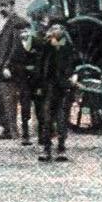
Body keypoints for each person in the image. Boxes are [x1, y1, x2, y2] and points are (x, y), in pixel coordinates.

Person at [28, 18, 78, 162]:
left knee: (62, 118)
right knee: (46, 117)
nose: (55, 31)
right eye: (53, 28)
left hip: (63, 86)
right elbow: (40, 65)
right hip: (48, 86)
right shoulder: (46, 46)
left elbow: (74, 64)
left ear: (63, 31)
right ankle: (47, 148)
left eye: (58, 28)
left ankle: (61, 147)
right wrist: (37, 85)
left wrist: (73, 77)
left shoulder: (68, 47)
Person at [0, 0, 33, 143]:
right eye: (1, 5)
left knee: (10, 100)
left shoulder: (19, 23)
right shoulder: (4, 23)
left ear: (12, 6)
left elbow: (17, 48)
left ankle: (14, 131)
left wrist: (7, 65)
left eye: (5, 6)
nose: (2, 9)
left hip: (10, 68)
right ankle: (8, 129)